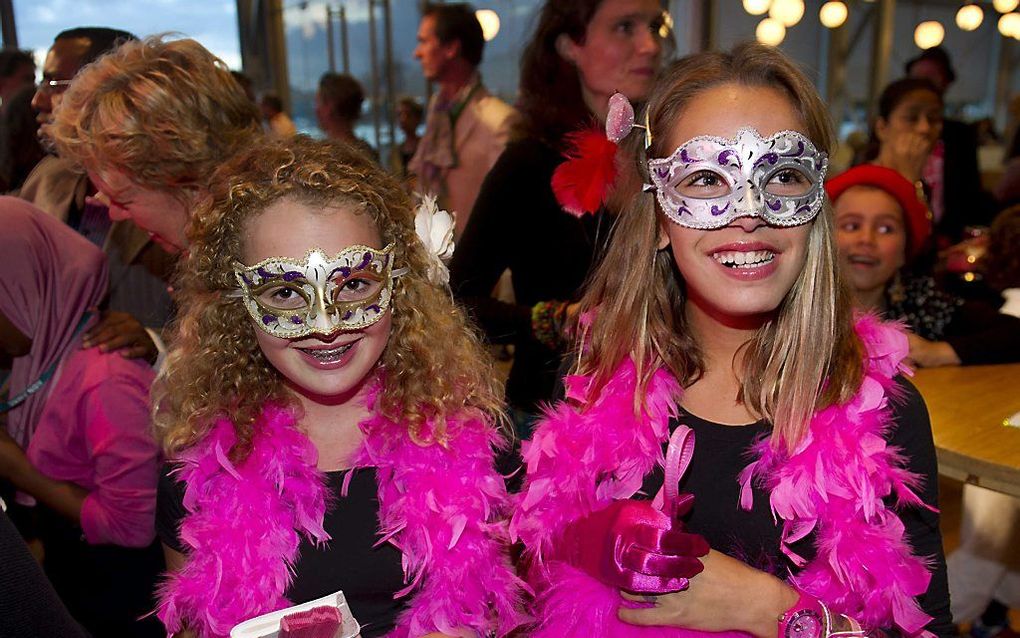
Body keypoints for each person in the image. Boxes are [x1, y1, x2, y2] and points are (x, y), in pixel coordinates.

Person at [511, 44, 952, 637]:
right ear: (661, 220)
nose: (748, 214)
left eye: (782, 175)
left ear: (814, 204)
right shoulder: (598, 384)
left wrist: (769, 611)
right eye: (706, 179)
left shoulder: (881, 413)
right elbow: (541, 584)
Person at [154, 136, 525, 638]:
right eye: (285, 292)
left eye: (353, 283)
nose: (326, 326)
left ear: (395, 280)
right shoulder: (197, 476)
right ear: (239, 303)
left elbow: (515, 611)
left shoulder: (477, 446)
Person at [450, 0, 667, 428]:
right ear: (569, 45)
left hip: (658, 415)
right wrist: (553, 321)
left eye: (655, 26)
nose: (649, 45)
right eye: (625, 27)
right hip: (550, 421)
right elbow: (459, 303)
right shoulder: (529, 162)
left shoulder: (668, 156)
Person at [0, 197, 162, 637]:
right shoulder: (41, 358)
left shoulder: (104, 381)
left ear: (24, 285)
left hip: (120, 607)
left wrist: (20, 471)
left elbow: (132, 527)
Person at [20, 27, 176, 361]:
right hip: (52, 390)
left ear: (107, 89)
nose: (38, 100)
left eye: (53, 83)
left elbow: (236, 320)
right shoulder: (47, 178)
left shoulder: (179, 190)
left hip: (151, 396)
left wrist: (155, 343)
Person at [828, 163, 1020, 366]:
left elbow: (1013, 334)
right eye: (851, 226)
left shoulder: (921, 304)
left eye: (886, 229)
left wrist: (938, 353)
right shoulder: (800, 308)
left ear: (905, 250)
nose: (866, 239)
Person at [945, 204, 1020, 638]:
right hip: (999, 441)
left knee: (1001, 546)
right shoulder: (1005, 318)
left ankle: (991, 616)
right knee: (988, 547)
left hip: (997, 436)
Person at [410, 2, 517, 236]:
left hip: (475, 263)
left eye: (424, 41)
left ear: (451, 48)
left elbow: (506, 211)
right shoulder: (437, 110)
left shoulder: (500, 122)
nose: (417, 53)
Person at [903, 48, 996, 245]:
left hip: (949, 238)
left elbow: (970, 192)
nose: (923, 127)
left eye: (931, 78)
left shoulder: (960, 134)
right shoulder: (895, 131)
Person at [315, 72, 376, 160]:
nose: (316, 110)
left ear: (330, 106)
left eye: (318, 102)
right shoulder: (367, 152)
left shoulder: (327, 156)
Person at [392, 96, 423, 177]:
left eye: (408, 114)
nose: (403, 119)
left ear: (417, 118)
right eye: (399, 115)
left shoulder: (426, 147)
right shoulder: (395, 152)